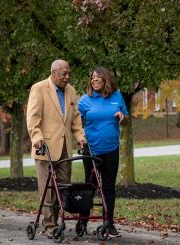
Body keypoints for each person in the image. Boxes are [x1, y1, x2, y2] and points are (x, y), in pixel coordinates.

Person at [26, 59, 86, 238]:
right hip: (45, 148)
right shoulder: (39, 88)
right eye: (63, 74)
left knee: (62, 189)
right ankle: (49, 225)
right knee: (47, 189)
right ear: (53, 73)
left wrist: (80, 137)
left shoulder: (71, 91)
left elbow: (75, 119)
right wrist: (36, 138)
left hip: (65, 149)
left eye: (69, 74)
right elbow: (33, 117)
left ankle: (56, 222)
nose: (67, 77)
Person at [78, 67, 129, 238]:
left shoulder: (117, 96)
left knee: (108, 188)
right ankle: (83, 221)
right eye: (92, 77)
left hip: (111, 150)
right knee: (89, 186)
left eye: (98, 77)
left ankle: (109, 224)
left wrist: (123, 117)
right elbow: (75, 124)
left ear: (106, 79)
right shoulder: (85, 100)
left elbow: (126, 120)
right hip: (91, 150)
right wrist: (79, 137)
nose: (94, 80)